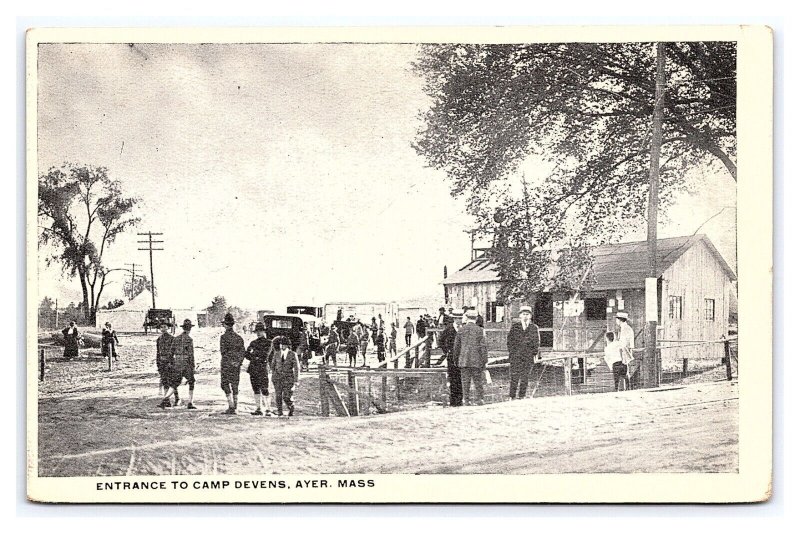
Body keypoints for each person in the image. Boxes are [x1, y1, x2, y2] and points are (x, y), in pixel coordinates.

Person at [159, 319, 197, 409]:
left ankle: (165, 399)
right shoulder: (189, 339)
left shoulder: (176, 338)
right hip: (186, 363)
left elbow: (171, 352)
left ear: (183, 328)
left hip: (177, 363)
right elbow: (191, 355)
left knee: (174, 383)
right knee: (191, 382)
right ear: (190, 329)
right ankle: (190, 402)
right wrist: (193, 367)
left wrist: (171, 363)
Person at [453, 309, 488, 406]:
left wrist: (456, 360)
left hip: (464, 360)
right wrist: (484, 361)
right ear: (476, 319)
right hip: (477, 361)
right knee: (478, 381)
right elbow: (483, 347)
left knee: (465, 382)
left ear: (467, 318)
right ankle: (479, 399)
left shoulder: (461, 330)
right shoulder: (480, 330)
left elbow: (456, 347)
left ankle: (466, 400)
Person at [506, 304, 540, 400]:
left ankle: (522, 396)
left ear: (530, 316)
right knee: (514, 377)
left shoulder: (534, 328)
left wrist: (533, 353)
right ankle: (512, 396)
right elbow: (509, 341)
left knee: (525, 377)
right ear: (520, 315)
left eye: (527, 314)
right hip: (516, 356)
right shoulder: (515, 327)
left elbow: (537, 342)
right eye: (523, 314)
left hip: (528, 357)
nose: (525, 316)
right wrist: (512, 353)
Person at [220, 313, 246, 414]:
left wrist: (230, 362)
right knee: (235, 385)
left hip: (226, 364)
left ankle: (231, 406)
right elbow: (242, 352)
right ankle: (235, 407)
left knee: (225, 384)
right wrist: (237, 362)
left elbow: (223, 352)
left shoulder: (223, 337)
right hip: (236, 365)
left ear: (226, 325)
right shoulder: (239, 338)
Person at [244, 322, 273, 416]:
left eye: (260, 331)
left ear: (264, 331)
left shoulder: (269, 343)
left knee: (264, 388)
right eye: (257, 331)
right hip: (253, 369)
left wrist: (254, 355)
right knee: (255, 389)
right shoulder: (253, 342)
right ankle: (259, 408)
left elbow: (265, 355)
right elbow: (246, 354)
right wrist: (255, 356)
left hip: (262, 368)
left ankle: (268, 409)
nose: (258, 333)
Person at [270, 336, 300, 416]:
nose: (282, 346)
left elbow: (297, 368)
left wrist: (296, 380)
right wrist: (274, 375)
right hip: (277, 378)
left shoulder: (293, 354)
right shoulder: (277, 354)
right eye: (281, 344)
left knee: (287, 396)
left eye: (283, 344)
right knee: (278, 395)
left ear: (287, 345)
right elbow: (272, 366)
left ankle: (291, 406)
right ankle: (280, 412)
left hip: (288, 378)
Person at [438, 318, 462, 406]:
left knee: (462, 378)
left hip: (462, 357)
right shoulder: (448, 329)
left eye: (460, 317)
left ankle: (461, 400)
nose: (459, 321)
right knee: (453, 378)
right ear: (454, 320)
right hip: (451, 357)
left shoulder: (463, 328)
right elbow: (440, 341)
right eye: (457, 318)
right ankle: (454, 401)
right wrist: (446, 351)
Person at [616, 311, 636, 385]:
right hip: (623, 350)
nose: (616, 321)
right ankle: (625, 386)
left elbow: (624, 342)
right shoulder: (623, 328)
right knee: (623, 369)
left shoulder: (626, 328)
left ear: (620, 320)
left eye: (617, 319)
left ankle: (627, 386)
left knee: (624, 369)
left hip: (625, 350)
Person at [156, 322, 174, 397]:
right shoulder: (159, 339)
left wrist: (171, 361)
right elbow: (158, 351)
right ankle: (164, 393)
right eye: (161, 327)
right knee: (163, 376)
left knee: (170, 377)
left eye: (165, 327)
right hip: (161, 360)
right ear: (160, 329)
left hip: (169, 360)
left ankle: (170, 395)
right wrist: (158, 361)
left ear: (168, 328)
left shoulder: (172, 338)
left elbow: (174, 350)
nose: (163, 329)